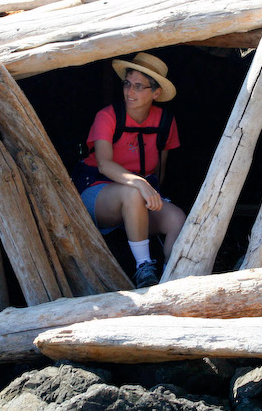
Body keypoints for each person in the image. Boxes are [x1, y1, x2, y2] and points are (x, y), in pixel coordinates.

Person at [74, 53, 186, 288]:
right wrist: (140, 183)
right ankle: (144, 268)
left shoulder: (165, 121)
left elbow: (159, 169)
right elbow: (104, 163)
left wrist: (150, 189)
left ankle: (172, 276)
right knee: (132, 194)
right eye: (127, 84)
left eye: (138, 86)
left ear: (156, 93)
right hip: (99, 192)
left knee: (177, 218)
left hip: (138, 195)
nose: (129, 92)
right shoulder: (107, 116)